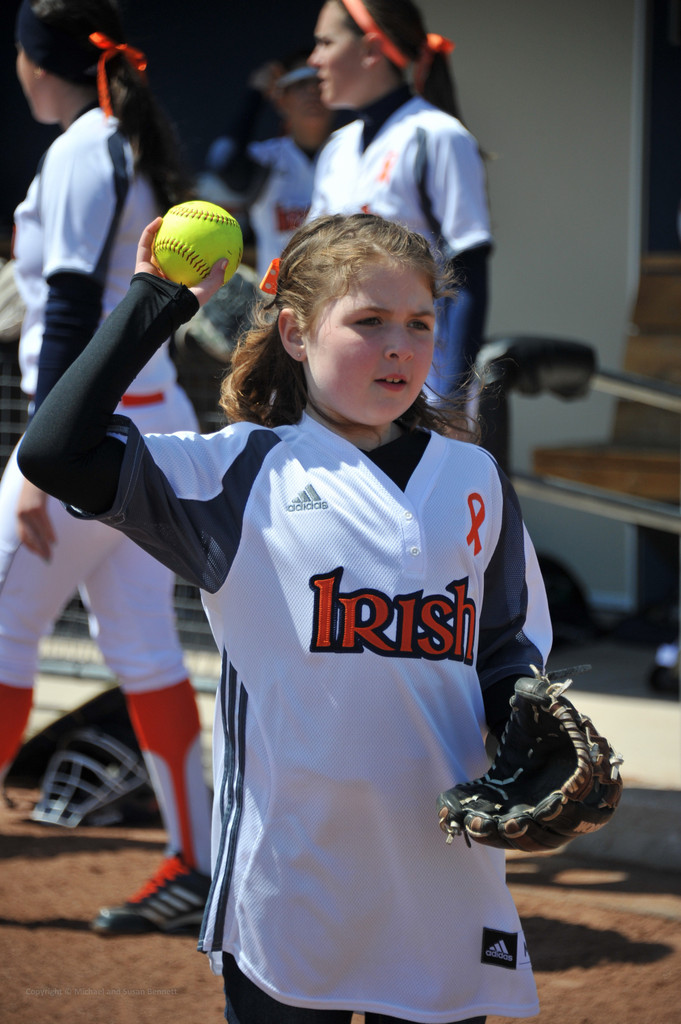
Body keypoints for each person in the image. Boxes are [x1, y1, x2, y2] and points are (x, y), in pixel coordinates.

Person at [19, 210, 553, 1022]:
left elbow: (505, 641)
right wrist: (155, 300)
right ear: (297, 335)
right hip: (290, 880)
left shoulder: (473, 476)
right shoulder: (237, 471)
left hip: (442, 872)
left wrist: (525, 712)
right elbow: (57, 452)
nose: (399, 346)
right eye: (367, 322)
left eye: (418, 323)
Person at [1, 0, 212, 935]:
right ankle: (194, 862)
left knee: (4, 636)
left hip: (92, 436)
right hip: (148, 424)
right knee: (144, 651)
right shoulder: (116, 137)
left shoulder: (87, 143)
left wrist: (43, 463)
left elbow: (76, 302)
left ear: (32, 59)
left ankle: (196, 862)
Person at [308, 0, 493, 401]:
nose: (314, 59)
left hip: (418, 381)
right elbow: (314, 269)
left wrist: (450, 399)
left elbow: (468, 273)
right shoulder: (337, 147)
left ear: (371, 49)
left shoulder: (439, 135)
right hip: (338, 381)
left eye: (325, 42)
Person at [200, 51, 334, 281]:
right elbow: (223, 160)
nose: (313, 91)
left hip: (339, 297)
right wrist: (255, 95)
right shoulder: (267, 157)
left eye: (319, 82)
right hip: (276, 302)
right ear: (281, 100)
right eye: (301, 84)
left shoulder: (354, 150)